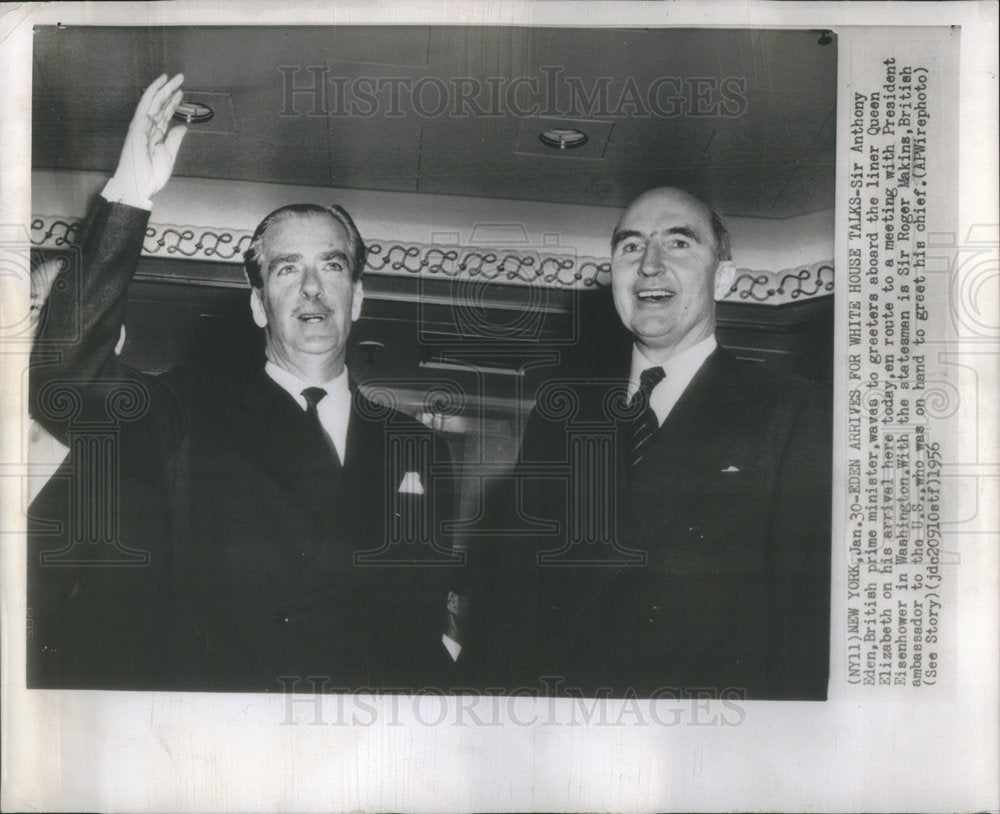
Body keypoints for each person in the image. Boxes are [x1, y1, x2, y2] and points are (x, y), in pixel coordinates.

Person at [30, 74, 462, 692]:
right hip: (231, 743)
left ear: (358, 297)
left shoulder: (416, 447)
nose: (312, 289)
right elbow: (66, 378)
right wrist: (129, 193)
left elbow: (417, 626)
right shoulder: (190, 409)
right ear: (259, 305)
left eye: (331, 267)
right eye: (288, 270)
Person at [508, 187, 832, 700]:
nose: (650, 266)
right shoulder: (558, 419)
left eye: (678, 244)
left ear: (722, 276)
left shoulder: (793, 413)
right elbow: (518, 608)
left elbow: (806, 630)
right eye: (630, 247)